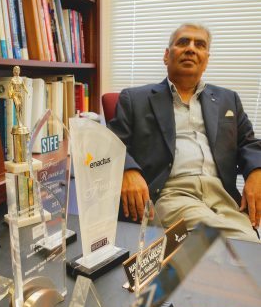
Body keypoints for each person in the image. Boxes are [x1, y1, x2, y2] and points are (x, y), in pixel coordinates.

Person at [108, 23, 261, 241]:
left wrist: (257, 171)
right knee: (233, 245)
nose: (191, 48)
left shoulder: (228, 99)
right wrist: (127, 169)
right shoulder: (135, 99)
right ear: (166, 56)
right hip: (172, 193)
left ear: (206, 60)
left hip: (223, 196)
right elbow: (110, 142)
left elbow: (249, 142)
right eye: (183, 42)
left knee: (246, 247)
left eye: (200, 45)